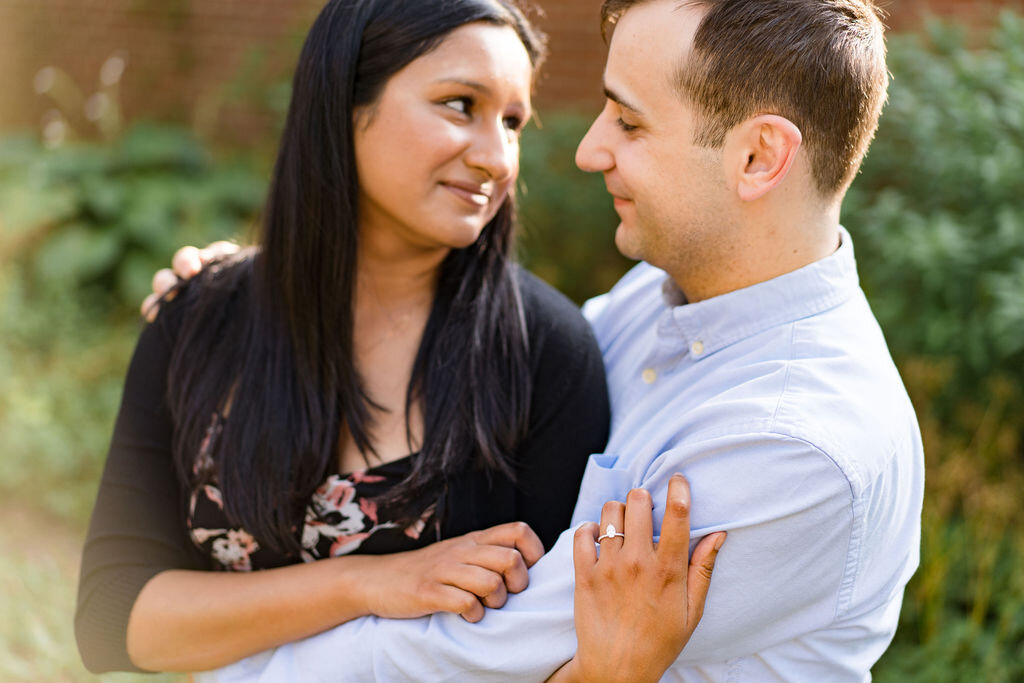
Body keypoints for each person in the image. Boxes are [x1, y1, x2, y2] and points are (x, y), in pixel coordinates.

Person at [159, 0, 924, 680]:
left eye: (629, 122)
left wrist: (245, 668)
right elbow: (493, 354)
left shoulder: (791, 442)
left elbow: (473, 654)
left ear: (758, 157)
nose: (591, 150)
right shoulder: (661, 301)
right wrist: (259, 293)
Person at [77, 0, 727, 675]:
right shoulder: (199, 319)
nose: (494, 157)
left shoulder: (544, 356)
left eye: (512, 122)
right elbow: (112, 618)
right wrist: (375, 582)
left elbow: (545, 654)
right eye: (458, 104)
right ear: (346, 100)